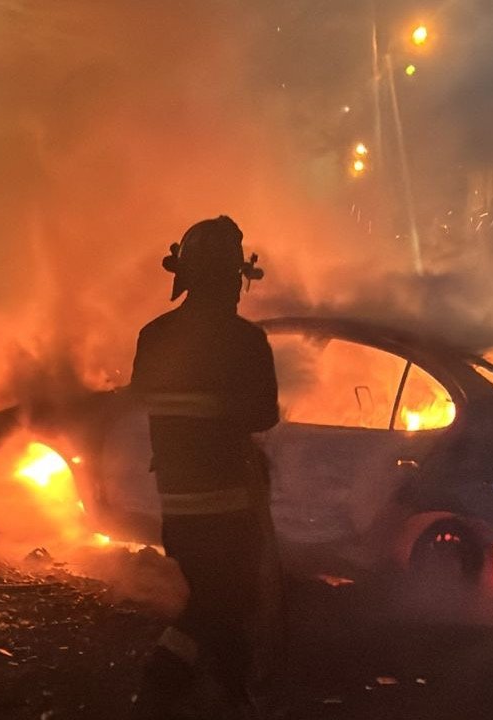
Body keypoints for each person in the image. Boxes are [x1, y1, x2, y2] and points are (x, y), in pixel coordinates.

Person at [129, 216, 280, 719]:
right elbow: (264, 416)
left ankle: (225, 692)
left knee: (215, 596)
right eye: (235, 278)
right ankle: (172, 679)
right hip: (231, 499)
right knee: (230, 598)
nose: (238, 289)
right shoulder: (246, 341)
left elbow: (143, 399)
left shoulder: (153, 335)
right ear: (228, 278)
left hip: (176, 498)